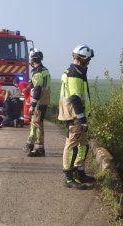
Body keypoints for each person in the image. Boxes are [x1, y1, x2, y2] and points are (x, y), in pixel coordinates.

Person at [58, 44, 96, 189]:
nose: (89, 63)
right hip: (74, 116)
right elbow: (74, 98)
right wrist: (82, 119)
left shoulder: (78, 71)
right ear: (83, 59)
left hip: (78, 115)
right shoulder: (74, 73)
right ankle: (68, 177)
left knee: (83, 144)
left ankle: (79, 172)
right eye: (88, 60)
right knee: (72, 145)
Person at [23, 49, 51, 157]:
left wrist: (32, 105)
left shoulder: (37, 72)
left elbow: (37, 90)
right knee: (35, 122)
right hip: (44, 100)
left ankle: (39, 148)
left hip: (38, 102)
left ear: (32, 60)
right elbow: (36, 84)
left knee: (37, 123)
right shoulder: (45, 70)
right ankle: (30, 144)